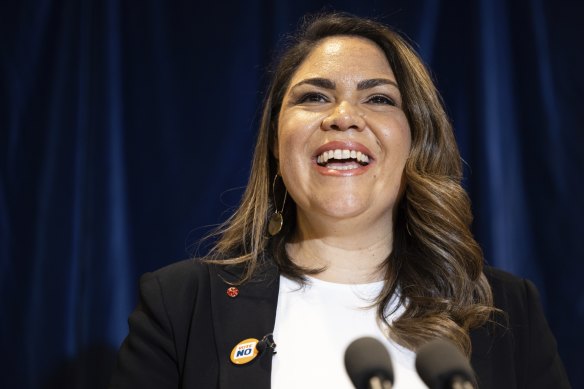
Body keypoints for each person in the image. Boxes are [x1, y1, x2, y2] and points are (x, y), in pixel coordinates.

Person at [109, 12, 571, 389]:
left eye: (378, 99)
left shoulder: (507, 311)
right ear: (274, 140)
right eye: (314, 96)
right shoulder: (181, 304)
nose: (344, 117)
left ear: (417, 140)